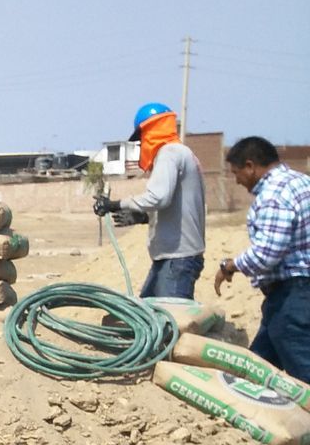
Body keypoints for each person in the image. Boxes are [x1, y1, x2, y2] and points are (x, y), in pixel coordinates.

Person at [213, 136, 310, 382]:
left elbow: (268, 252)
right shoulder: (301, 183)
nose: (236, 180)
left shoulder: (273, 195)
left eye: (237, 173)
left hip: (293, 295)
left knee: (302, 369)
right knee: (257, 366)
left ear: (250, 166)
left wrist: (230, 265)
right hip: (290, 297)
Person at [93, 101, 205, 299]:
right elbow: (174, 205)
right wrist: (143, 217)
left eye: (141, 138)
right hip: (173, 257)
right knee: (147, 313)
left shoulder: (169, 153)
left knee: (168, 322)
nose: (141, 145)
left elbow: (159, 197)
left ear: (150, 130)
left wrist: (115, 204)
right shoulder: (181, 153)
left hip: (177, 258)